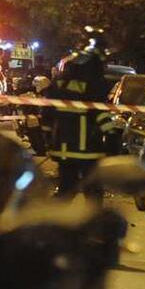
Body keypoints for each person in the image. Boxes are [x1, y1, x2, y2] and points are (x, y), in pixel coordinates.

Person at [42, 48, 111, 197]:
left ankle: (58, 211)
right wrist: (111, 133)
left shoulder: (58, 84)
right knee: (93, 191)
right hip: (89, 149)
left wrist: (48, 138)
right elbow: (100, 113)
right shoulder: (93, 85)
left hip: (64, 147)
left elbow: (47, 113)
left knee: (66, 188)